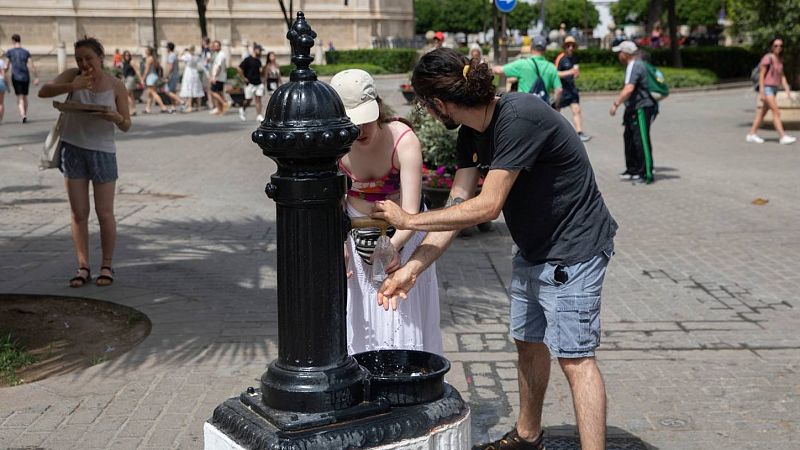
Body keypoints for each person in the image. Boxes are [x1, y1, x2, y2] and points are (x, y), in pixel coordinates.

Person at [371, 47, 617, 450]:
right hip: (534, 249)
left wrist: (409, 220)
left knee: (576, 358)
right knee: (528, 341)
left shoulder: (519, 117)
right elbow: (458, 206)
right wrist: (412, 268)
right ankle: (527, 435)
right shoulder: (471, 134)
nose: (427, 113)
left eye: (424, 105)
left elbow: (488, 205)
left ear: (438, 104)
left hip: (575, 249)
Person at [330, 69, 442, 356]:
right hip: (356, 237)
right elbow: (334, 200)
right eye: (352, 123)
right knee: (362, 316)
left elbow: (412, 213)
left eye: (366, 119)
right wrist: (340, 243)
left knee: (400, 314)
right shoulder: (333, 144)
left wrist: (391, 247)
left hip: (402, 236)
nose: (361, 131)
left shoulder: (403, 140)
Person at [38, 36, 132, 288]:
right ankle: (83, 266)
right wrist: (72, 85)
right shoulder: (72, 75)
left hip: (102, 152)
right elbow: (43, 91)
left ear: (101, 57)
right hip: (73, 149)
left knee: (104, 213)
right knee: (79, 214)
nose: (84, 63)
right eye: (79, 59)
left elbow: (126, 124)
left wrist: (114, 117)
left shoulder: (115, 85)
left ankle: (106, 265)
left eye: (89, 58)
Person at [609, 41, 657, 184]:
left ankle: (646, 173)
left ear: (625, 54)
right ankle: (633, 169)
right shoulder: (632, 65)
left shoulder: (635, 65)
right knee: (630, 137)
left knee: (641, 139)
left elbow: (629, 88)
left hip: (641, 107)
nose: (618, 56)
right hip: (633, 107)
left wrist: (616, 104)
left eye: (619, 53)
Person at [747, 38, 797, 145]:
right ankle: (783, 137)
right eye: (776, 46)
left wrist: (786, 87)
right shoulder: (767, 58)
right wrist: (761, 90)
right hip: (767, 88)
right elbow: (761, 74)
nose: (778, 48)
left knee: (762, 114)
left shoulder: (779, 59)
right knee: (776, 112)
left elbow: (782, 75)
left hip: (774, 88)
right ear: (771, 47)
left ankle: (751, 134)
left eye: (780, 46)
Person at [493, 35, 561, 106]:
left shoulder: (523, 64)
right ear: (545, 50)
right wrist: (556, 105)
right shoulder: (551, 67)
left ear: (531, 48)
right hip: (544, 108)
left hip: (524, 107)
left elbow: (499, 70)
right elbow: (559, 90)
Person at [555, 36, 590, 142]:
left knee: (577, 110)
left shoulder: (574, 58)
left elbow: (576, 73)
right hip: (562, 89)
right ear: (564, 47)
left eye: (572, 46)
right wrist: (569, 72)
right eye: (568, 46)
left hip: (572, 88)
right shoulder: (560, 58)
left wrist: (576, 74)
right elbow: (554, 74)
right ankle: (554, 132)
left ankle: (579, 132)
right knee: (556, 111)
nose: (570, 48)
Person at [5, 34, 39, 123]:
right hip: (25, 76)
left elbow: (7, 66)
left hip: (16, 76)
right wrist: (36, 77)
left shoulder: (10, 52)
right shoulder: (26, 52)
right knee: (25, 96)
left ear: (13, 41)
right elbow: (31, 65)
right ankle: (25, 114)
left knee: (19, 97)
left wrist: (4, 72)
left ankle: (23, 114)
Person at [236, 44, 265, 122]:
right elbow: (239, 68)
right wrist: (244, 78)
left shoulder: (258, 60)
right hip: (250, 83)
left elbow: (261, 72)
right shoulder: (248, 59)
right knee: (248, 100)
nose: (260, 52)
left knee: (258, 99)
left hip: (258, 82)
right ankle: (242, 109)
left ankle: (259, 115)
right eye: (260, 50)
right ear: (255, 49)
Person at [179, 45, 205, 113]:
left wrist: (183, 52)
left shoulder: (187, 56)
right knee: (197, 88)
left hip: (189, 73)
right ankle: (198, 107)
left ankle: (190, 107)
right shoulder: (196, 57)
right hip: (195, 72)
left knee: (189, 89)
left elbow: (179, 58)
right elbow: (201, 64)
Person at [142, 46, 168, 114]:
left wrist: (143, 78)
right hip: (154, 76)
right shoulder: (154, 58)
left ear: (148, 51)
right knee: (150, 94)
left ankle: (163, 107)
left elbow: (146, 70)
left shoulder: (149, 59)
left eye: (146, 50)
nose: (145, 51)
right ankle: (147, 109)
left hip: (150, 77)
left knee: (153, 93)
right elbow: (159, 68)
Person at [208, 40, 229, 116]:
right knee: (219, 93)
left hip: (219, 77)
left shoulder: (221, 55)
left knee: (213, 92)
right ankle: (220, 110)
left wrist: (214, 77)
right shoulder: (217, 54)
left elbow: (219, 67)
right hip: (219, 77)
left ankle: (224, 103)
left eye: (217, 46)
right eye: (214, 46)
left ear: (220, 46)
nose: (215, 47)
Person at [162, 42, 184, 112]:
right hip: (175, 75)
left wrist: (166, 76)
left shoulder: (171, 56)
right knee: (173, 91)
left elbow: (170, 67)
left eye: (166, 48)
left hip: (171, 76)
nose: (166, 49)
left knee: (167, 91)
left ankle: (181, 101)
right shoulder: (174, 55)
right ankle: (173, 106)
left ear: (168, 48)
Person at [120, 50, 142, 116]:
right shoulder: (124, 63)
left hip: (131, 79)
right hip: (126, 79)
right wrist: (122, 79)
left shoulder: (131, 62)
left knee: (126, 94)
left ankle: (131, 110)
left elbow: (137, 71)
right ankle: (134, 109)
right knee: (131, 95)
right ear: (123, 56)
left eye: (128, 55)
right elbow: (124, 73)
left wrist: (141, 80)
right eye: (126, 55)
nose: (127, 56)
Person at [0, 49, 7, 124]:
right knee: (1, 103)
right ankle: (0, 119)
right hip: (1, 81)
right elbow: (3, 74)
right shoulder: (2, 62)